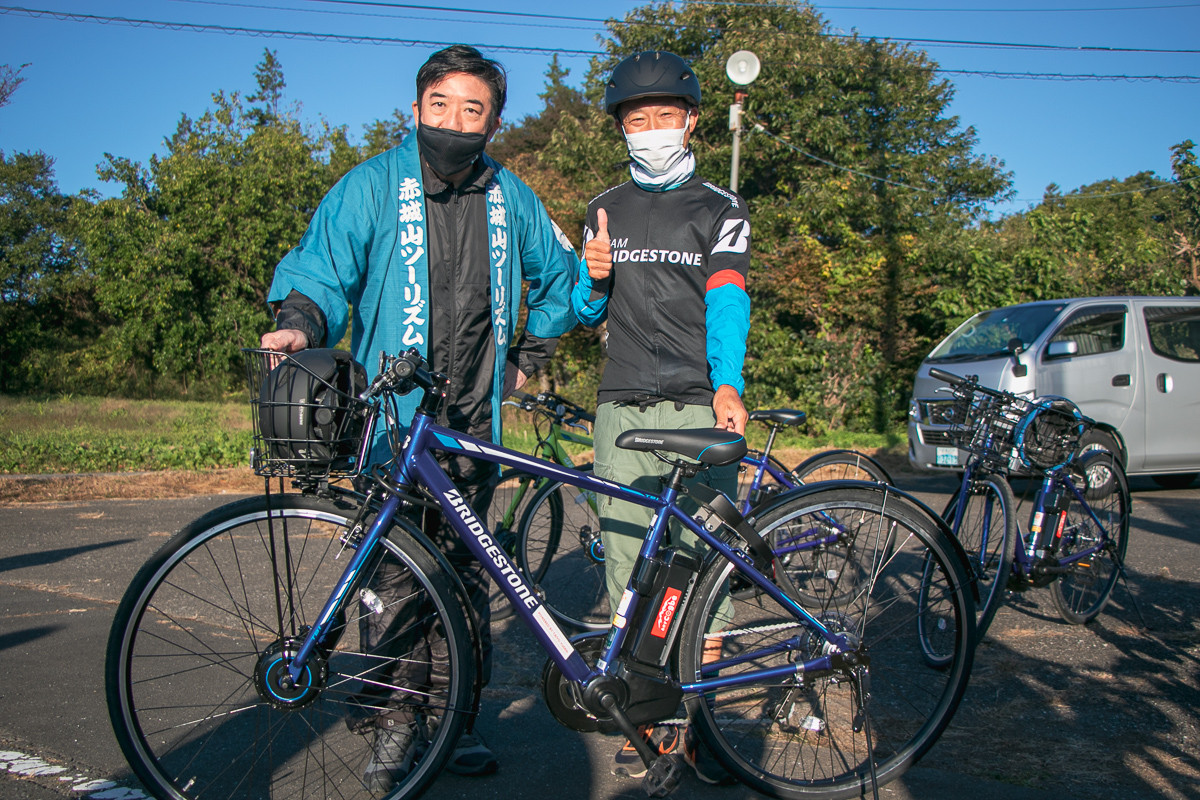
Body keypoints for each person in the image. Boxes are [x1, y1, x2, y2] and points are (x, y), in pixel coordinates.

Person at [261, 45, 577, 791]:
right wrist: (299, 321)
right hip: (393, 428)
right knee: (393, 585)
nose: (454, 121)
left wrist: (527, 350)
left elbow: (561, 276)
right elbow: (320, 267)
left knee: (466, 582)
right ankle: (393, 726)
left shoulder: (512, 196)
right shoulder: (372, 186)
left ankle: (454, 720)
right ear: (416, 109)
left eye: (473, 110)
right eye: (441, 105)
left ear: (494, 122)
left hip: (474, 429)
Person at [572, 50, 750, 784]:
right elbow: (586, 313)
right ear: (622, 127)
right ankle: (647, 711)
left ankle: (697, 718)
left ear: (691, 121)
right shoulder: (604, 207)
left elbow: (729, 300)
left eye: (663, 117)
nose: (650, 130)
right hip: (621, 404)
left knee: (703, 565)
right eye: (635, 119)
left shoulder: (720, 208)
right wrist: (594, 277)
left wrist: (729, 385)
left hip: (695, 402)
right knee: (626, 568)